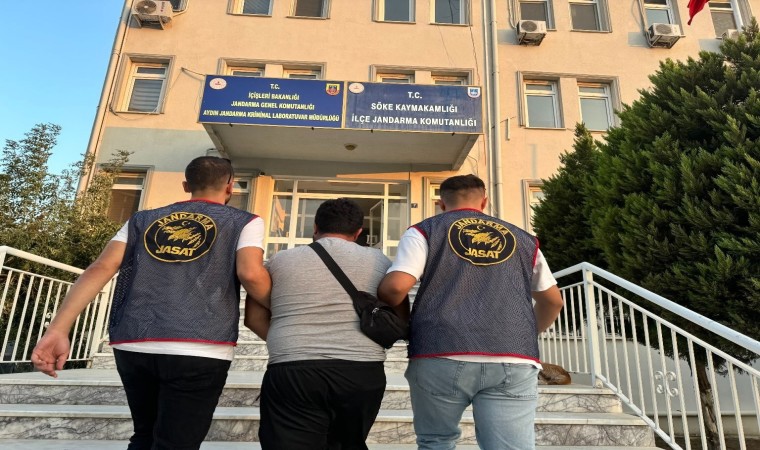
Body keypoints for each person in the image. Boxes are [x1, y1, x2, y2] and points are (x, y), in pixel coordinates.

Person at [31, 156, 271, 450]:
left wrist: (58, 329)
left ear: (186, 185)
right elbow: (250, 274)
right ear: (230, 187)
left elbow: (101, 268)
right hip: (200, 345)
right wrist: (284, 309)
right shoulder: (244, 221)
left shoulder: (141, 220)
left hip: (134, 342)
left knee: (144, 435)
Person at [377, 174, 564, 450]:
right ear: (484, 202)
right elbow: (553, 302)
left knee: (436, 442)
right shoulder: (523, 239)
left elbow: (395, 288)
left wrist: (396, 316)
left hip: (440, 349)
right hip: (513, 355)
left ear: (441, 204)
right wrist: (522, 333)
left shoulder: (425, 231)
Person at [248, 198, 409, 450]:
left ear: (315, 227)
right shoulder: (380, 262)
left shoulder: (279, 261)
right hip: (361, 370)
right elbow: (398, 316)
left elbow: (253, 318)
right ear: (358, 232)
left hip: (293, 370)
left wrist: (292, 344)